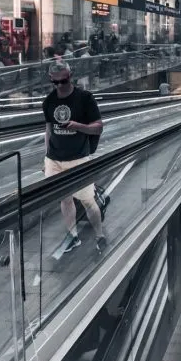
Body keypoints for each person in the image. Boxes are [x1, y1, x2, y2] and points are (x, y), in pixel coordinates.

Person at [42, 60, 106, 256]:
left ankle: (99, 235)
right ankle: (73, 236)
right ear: (51, 81)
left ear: (71, 77)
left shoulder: (84, 98)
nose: (61, 86)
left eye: (64, 81)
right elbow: (48, 129)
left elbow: (98, 126)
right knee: (65, 199)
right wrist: (45, 156)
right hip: (54, 159)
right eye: (56, 82)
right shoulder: (49, 101)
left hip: (78, 158)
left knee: (88, 201)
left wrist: (79, 126)